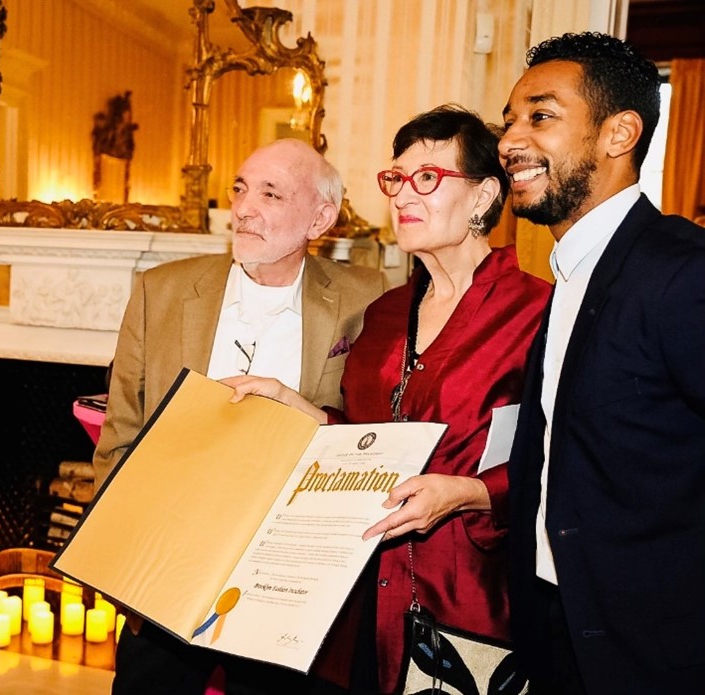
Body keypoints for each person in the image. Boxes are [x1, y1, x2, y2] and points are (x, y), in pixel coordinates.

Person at [225, 105, 551, 694]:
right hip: (358, 593)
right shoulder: (382, 314)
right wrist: (287, 400)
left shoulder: (537, 313)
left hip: (469, 597)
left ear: (483, 196)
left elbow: (564, 461)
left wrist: (469, 493)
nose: (404, 194)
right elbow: (365, 439)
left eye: (427, 177)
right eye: (396, 178)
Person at [93, 137, 388, 695]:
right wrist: (117, 555)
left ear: (320, 218)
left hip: (284, 567)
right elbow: (120, 435)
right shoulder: (161, 292)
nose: (244, 207)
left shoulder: (366, 297)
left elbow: (366, 432)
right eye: (240, 188)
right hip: (167, 562)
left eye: (271, 193)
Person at [500, 31, 705, 694]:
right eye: (508, 119)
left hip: (653, 652)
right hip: (558, 632)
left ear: (619, 134)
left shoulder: (681, 272)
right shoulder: (570, 273)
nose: (509, 140)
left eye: (539, 115)